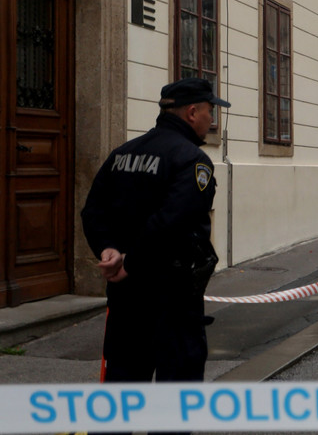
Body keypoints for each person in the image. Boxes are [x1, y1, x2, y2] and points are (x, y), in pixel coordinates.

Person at [82, 77, 230, 399]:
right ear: (192, 112)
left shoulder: (122, 154)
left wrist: (108, 250)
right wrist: (131, 262)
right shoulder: (192, 160)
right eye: (209, 111)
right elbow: (172, 222)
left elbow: (92, 212)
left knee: (120, 392)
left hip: (125, 302)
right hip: (172, 300)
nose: (211, 119)